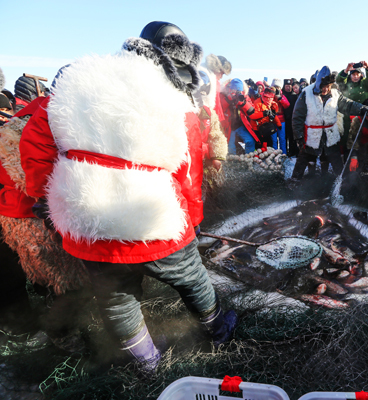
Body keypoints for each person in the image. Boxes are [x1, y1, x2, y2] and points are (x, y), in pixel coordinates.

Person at [20, 21, 237, 372]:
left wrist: (45, 197)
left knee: (117, 297)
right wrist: (193, 219)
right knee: (191, 277)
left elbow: (36, 142)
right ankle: (217, 327)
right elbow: (187, 169)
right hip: (152, 215)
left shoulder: (81, 80)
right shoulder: (173, 95)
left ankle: (146, 362)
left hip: (85, 214)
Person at [290, 66, 368, 182]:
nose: (326, 89)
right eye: (323, 86)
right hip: (312, 135)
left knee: (336, 161)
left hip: (330, 134)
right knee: (303, 159)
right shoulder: (306, 93)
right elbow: (297, 117)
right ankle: (294, 182)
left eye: (328, 86)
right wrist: (299, 137)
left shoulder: (336, 94)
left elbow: (347, 105)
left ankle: (341, 184)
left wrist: (361, 108)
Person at [336, 61, 368, 158]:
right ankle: (346, 159)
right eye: (353, 74)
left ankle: (360, 161)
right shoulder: (345, 85)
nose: (355, 76)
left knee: (360, 139)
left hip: (361, 115)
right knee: (346, 139)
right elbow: (339, 81)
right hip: (346, 116)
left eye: (357, 74)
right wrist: (346, 70)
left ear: (361, 74)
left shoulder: (365, 84)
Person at [225, 78, 261, 154]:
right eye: (234, 90)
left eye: (239, 91)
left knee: (250, 141)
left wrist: (243, 103)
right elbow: (221, 107)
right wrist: (229, 100)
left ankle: (249, 158)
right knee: (230, 145)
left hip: (240, 126)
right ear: (230, 89)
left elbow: (252, 111)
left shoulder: (244, 97)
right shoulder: (225, 96)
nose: (237, 92)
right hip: (229, 127)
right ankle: (233, 162)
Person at [270, 78, 290, 153]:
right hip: (272, 120)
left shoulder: (281, 95)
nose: (276, 88)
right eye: (275, 86)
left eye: (278, 87)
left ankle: (283, 154)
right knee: (274, 139)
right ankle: (275, 154)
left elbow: (287, 105)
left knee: (282, 139)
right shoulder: (270, 95)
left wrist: (280, 98)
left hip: (281, 120)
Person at [283, 79, 299, 156]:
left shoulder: (294, 95)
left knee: (293, 136)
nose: (288, 88)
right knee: (285, 137)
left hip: (293, 118)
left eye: (289, 86)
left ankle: (294, 150)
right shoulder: (282, 94)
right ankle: (286, 151)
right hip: (284, 119)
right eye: (286, 86)